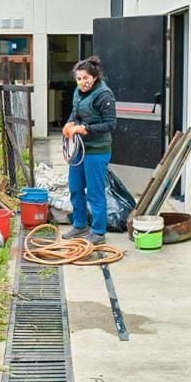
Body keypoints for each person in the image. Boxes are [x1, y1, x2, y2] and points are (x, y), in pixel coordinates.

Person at [62, 56, 117, 245]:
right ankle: (80, 224)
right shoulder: (78, 92)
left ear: (94, 77)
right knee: (76, 187)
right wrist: (69, 123)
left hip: (97, 150)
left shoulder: (104, 95)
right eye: (79, 79)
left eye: (86, 78)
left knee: (95, 191)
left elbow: (110, 124)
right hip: (79, 148)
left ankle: (98, 231)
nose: (82, 82)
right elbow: (75, 112)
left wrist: (85, 129)